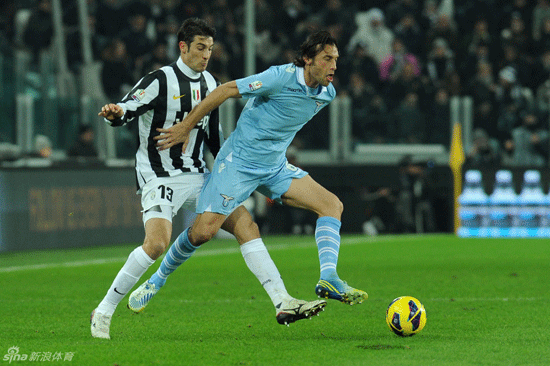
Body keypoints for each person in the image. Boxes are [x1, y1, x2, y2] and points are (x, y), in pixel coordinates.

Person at [91, 18, 325, 340]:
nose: (206, 55)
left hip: (199, 174)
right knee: (157, 243)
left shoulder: (210, 83)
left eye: (210, 49)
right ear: (183, 47)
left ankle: (282, 301)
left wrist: (233, 174)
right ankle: (103, 311)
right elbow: (130, 107)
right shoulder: (160, 80)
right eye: (200, 48)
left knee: (246, 225)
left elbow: (214, 137)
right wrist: (116, 112)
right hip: (160, 175)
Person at [135, 30, 368, 314]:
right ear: (308, 59)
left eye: (336, 59)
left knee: (332, 205)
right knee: (202, 233)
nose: (334, 66)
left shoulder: (326, 94)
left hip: (274, 167)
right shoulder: (280, 77)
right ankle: (156, 281)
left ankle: (328, 278)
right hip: (238, 165)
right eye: (327, 59)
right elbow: (225, 91)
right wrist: (186, 126)